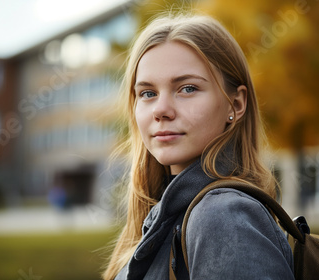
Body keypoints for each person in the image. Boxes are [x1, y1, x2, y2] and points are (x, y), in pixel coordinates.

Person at [103, 13, 294, 280]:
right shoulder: (169, 213)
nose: (161, 110)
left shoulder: (222, 216)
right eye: (148, 93)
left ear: (235, 105)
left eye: (188, 88)